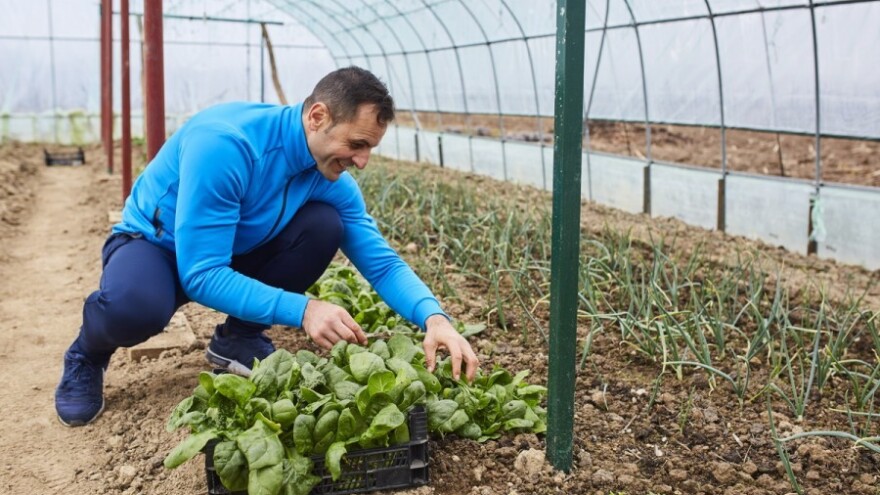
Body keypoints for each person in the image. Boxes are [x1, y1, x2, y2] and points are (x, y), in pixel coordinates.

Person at [54, 66, 480, 427]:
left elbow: (382, 263)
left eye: (370, 147)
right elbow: (201, 273)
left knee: (322, 226)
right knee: (136, 307)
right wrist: (305, 309)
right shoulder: (227, 145)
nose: (363, 161)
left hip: (235, 248)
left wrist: (434, 317)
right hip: (157, 246)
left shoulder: (328, 180)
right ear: (317, 116)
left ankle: (237, 338)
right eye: (357, 144)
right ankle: (87, 355)